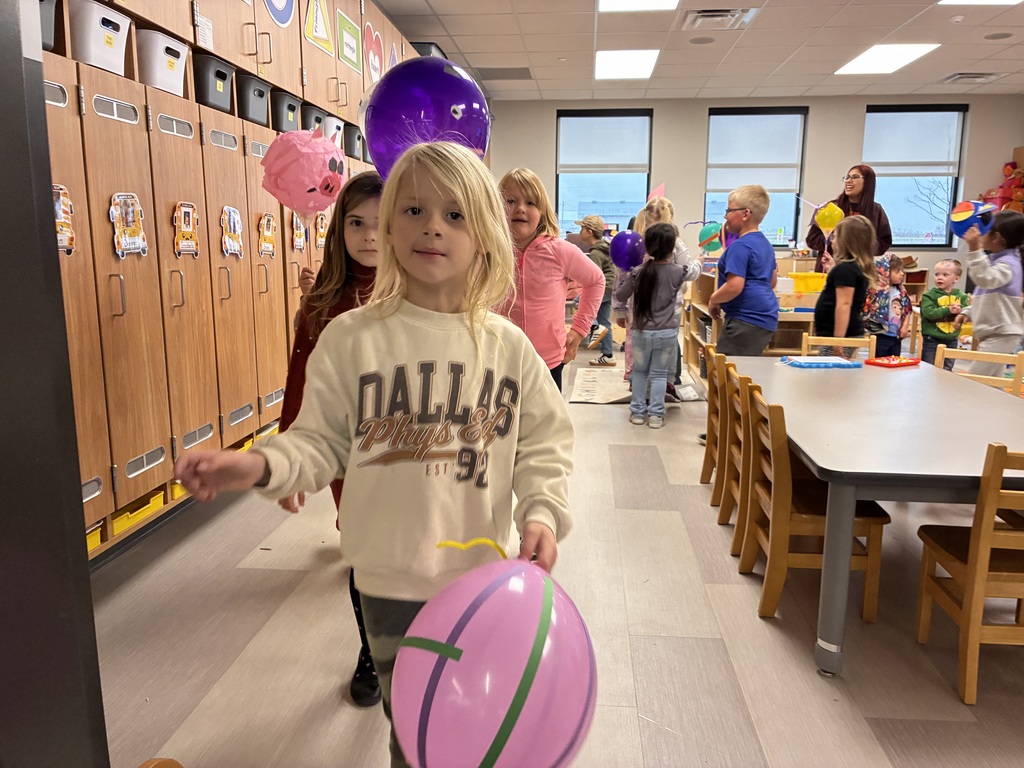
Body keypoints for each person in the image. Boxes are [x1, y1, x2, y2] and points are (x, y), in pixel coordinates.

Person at [174, 142, 575, 768]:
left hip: (481, 582)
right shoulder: (351, 337)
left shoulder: (509, 347)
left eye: (454, 214)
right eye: (413, 210)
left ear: (486, 237)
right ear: (387, 229)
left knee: (472, 725)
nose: (432, 227)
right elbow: (319, 441)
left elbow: (544, 444)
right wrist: (258, 465)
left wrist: (542, 513)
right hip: (388, 580)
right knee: (414, 729)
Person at [277, 171, 382, 707]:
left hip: (413, 448)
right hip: (349, 453)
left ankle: (425, 643)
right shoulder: (322, 301)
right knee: (364, 551)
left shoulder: (425, 291)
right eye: (356, 223)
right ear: (338, 229)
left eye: (381, 223)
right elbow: (301, 379)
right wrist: (291, 460)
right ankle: (372, 651)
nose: (369, 235)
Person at [499, 168, 604, 391]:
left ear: (542, 211)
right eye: (510, 201)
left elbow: (596, 280)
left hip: (547, 361)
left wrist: (579, 329)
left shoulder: (559, 251)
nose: (520, 208)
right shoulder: (488, 250)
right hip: (499, 358)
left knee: (547, 414)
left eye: (530, 202)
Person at [615, 223, 698, 428]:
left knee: (640, 373)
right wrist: (699, 260)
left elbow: (621, 295)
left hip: (641, 332)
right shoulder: (678, 271)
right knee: (660, 375)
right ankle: (655, 416)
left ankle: (637, 413)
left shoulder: (637, 272)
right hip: (667, 333)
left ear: (647, 247)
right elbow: (695, 271)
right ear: (672, 247)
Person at [708, 185, 779, 356]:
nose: (725, 216)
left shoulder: (739, 246)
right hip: (766, 317)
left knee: (727, 368)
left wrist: (714, 300)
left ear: (746, 214)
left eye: (729, 210)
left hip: (745, 318)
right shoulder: (765, 244)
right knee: (747, 367)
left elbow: (734, 286)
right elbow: (772, 281)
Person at [957, 211, 1024, 376]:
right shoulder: (999, 261)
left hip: (1002, 334)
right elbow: (989, 298)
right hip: (997, 332)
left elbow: (984, 279)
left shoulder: (1008, 264)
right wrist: (969, 312)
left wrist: (975, 249)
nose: (981, 234)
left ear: (997, 237)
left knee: (975, 380)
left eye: (985, 230)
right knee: (991, 382)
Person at [806, 165, 893, 271]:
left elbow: (884, 242)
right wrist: (836, 239)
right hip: (828, 270)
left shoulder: (876, 210)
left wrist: (862, 245)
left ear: (868, 182)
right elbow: (812, 240)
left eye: (855, 177)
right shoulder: (830, 208)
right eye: (847, 177)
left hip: (861, 270)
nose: (848, 181)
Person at [812, 215, 876, 358]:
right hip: (838, 334)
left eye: (835, 237)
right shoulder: (848, 269)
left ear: (846, 241)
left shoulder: (846, 269)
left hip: (841, 335)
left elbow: (844, 305)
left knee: (830, 370)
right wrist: (832, 269)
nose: (832, 241)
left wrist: (838, 341)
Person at [575, 214, 617, 366]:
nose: (579, 232)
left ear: (589, 232)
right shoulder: (603, 247)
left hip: (603, 288)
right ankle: (608, 355)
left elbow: (593, 278)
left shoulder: (596, 253)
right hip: (610, 287)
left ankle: (594, 328)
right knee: (605, 322)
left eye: (582, 229)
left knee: (578, 301)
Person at [920, 259, 971, 370]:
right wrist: (948, 310)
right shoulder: (928, 295)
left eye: (945, 275)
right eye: (937, 274)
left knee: (948, 368)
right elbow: (929, 313)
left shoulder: (962, 296)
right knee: (928, 367)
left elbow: (965, 313)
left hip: (952, 338)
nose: (939, 277)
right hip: (932, 338)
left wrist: (960, 310)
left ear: (956, 278)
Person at [863, 254, 911, 358]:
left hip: (896, 337)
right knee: (878, 362)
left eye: (902, 270)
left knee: (894, 361)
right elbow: (867, 308)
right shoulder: (875, 290)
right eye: (898, 271)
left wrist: (905, 326)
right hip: (879, 336)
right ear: (886, 272)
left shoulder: (901, 290)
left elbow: (907, 308)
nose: (902, 273)